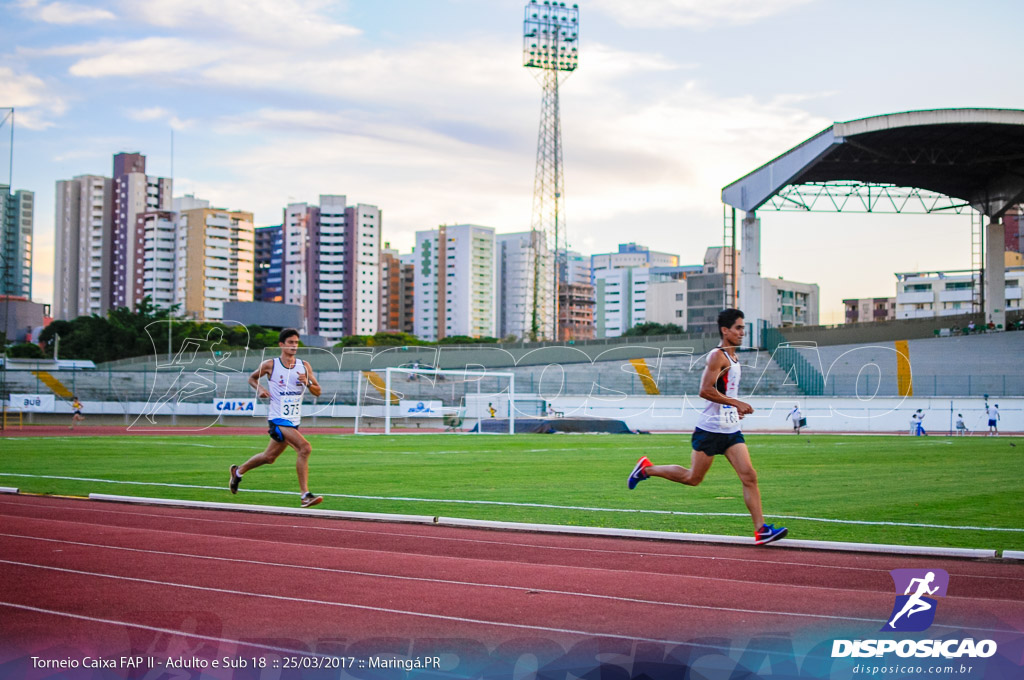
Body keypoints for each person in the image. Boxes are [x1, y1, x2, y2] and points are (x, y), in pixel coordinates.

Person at [627, 308, 787, 546]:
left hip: (730, 430)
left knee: (749, 476)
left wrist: (733, 410)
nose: (743, 332)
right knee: (693, 478)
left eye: (743, 327)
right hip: (710, 430)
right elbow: (705, 390)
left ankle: (761, 529)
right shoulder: (717, 356)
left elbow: (725, 391)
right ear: (726, 330)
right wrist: (736, 403)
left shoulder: (734, 357)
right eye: (738, 328)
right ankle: (646, 469)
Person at [229, 328, 324, 508]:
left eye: (296, 343)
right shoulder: (270, 365)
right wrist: (260, 389)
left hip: (294, 420)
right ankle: (305, 495)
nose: (294, 346)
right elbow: (252, 378)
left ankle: (238, 472)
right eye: (290, 343)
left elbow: (318, 392)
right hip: (278, 418)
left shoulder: (304, 366)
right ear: (281, 345)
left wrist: (308, 382)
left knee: (269, 457)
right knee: (305, 448)